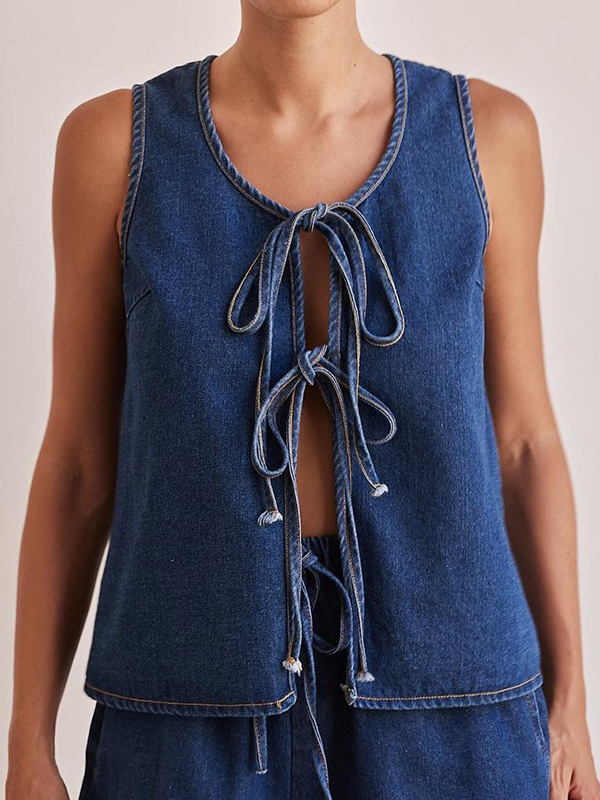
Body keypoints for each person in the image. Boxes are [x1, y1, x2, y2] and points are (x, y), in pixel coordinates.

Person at [6, 0, 600, 798]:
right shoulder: (113, 147)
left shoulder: (488, 136)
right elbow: (78, 463)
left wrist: (571, 705)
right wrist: (27, 742)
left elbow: (525, 440)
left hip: (458, 713)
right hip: (185, 717)